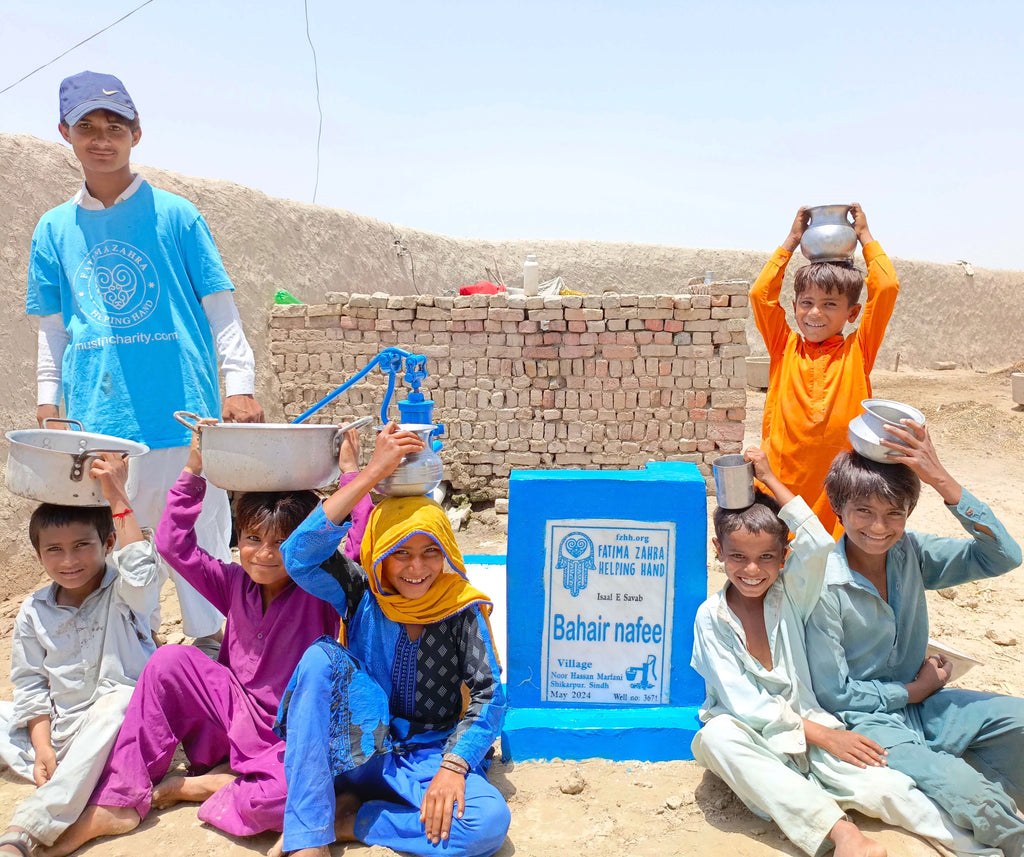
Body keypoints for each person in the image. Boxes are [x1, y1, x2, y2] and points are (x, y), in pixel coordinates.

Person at [42, 423, 373, 857]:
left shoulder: (321, 588)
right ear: (240, 541)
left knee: (288, 798)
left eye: (283, 542)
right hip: (232, 718)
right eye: (253, 539)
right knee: (169, 661)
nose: (266, 554)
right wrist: (194, 468)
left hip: (293, 736)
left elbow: (359, 542)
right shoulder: (233, 582)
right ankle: (120, 799)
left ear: (304, 548)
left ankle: (203, 785)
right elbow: (173, 544)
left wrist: (350, 471)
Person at [25, 70, 266, 652]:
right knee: (120, 564)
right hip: (100, 434)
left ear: (137, 134)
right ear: (66, 133)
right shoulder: (54, 229)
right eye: (87, 126)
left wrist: (239, 385)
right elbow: (53, 331)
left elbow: (221, 311)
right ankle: (134, 685)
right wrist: (48, 406)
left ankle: (214, 676)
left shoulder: (177, 215)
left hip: (182, 422)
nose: (101, 138)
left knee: (198, 552)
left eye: (115, 126)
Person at [691, 447, 987, 857]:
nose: (752, 570)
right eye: (737, 557)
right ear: (718, 551)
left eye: (766, 558)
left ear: (783, 558)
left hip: (818, 731)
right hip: (762, 741)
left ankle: (979, 848)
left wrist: (771, 478)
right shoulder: (711, 618)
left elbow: (814, 540)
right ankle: (844, 834)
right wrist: (824, 736)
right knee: (716, 737)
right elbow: (746, 707)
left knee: (889, 786)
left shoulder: (790, 596)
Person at [270, 423, 510, 857]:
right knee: (319, 660)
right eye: (401, 551)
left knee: (485, 825)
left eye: (430, 551)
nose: (416, 568)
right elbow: (298, 555)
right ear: (380, 552)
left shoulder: (462, 609)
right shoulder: (361, 591)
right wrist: (369, 475)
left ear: (448, 552)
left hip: (427, 756)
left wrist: (454, 768)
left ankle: (352, 821)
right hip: (359, 746)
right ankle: (310, 836)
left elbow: (489, 692)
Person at [806, 422, 1024, 856]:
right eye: (863, 512)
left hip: (928, 708)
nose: (879, 528)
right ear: (837, 509)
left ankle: (974, 784)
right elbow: (836, 696)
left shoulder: (912, 553)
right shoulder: (824, 586)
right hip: (872, 723)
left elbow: (1003, 555)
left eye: (894, 514)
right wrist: (912, 689)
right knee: (967, 790)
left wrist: (939, 477)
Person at [0, 455, 160, 857]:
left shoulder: (127, 593)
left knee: (120, 700)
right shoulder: (34, 611)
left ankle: (30, 825)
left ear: (108, 544)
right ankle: (67, 780)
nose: (68, 561)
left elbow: (141, 571)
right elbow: (30, 684)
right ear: (38, 555)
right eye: (54, 549)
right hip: (60, 737)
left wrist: (117, 497)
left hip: (119, 734)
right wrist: (42, 748)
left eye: (82, 546)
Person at [750, 203, 898, 536]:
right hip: (781, 485)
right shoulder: (783, 347)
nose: (815, 313)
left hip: (837, 489)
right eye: (807, 302)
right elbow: (759, 295)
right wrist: (792, 240)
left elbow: (886, 288)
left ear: (853, 312)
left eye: (830, 304)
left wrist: (864, 236)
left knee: (831, 569)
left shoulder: (858, 351)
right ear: (794, 306)